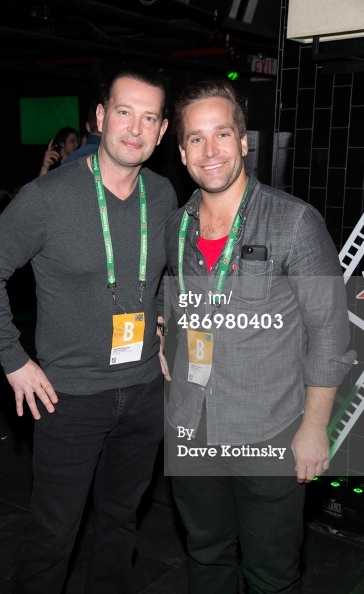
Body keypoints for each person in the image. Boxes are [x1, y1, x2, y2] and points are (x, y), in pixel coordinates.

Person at [0, 62, 177, 594]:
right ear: (101, 118)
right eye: (124, 112)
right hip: (70, 401)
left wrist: (162, 323)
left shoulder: (163, 196)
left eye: (148, 118)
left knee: (120, 525)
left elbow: (164, 273)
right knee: (53, 534)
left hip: (144, 392)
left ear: (161, 131)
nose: (134, 128)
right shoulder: (48, 198)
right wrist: (12, 358)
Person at [164, 79, 356, 594]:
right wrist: (167, 346)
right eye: (196, 139)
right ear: (182, 152)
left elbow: (329, 337)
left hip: (269, 430)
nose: (211, 151)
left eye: (222, 134)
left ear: (244, 142)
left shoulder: (295, 223)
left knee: (271, 573)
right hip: (191, 425)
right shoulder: (175, 228)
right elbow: (182, 309)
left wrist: (314, 431)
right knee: (205, 556)